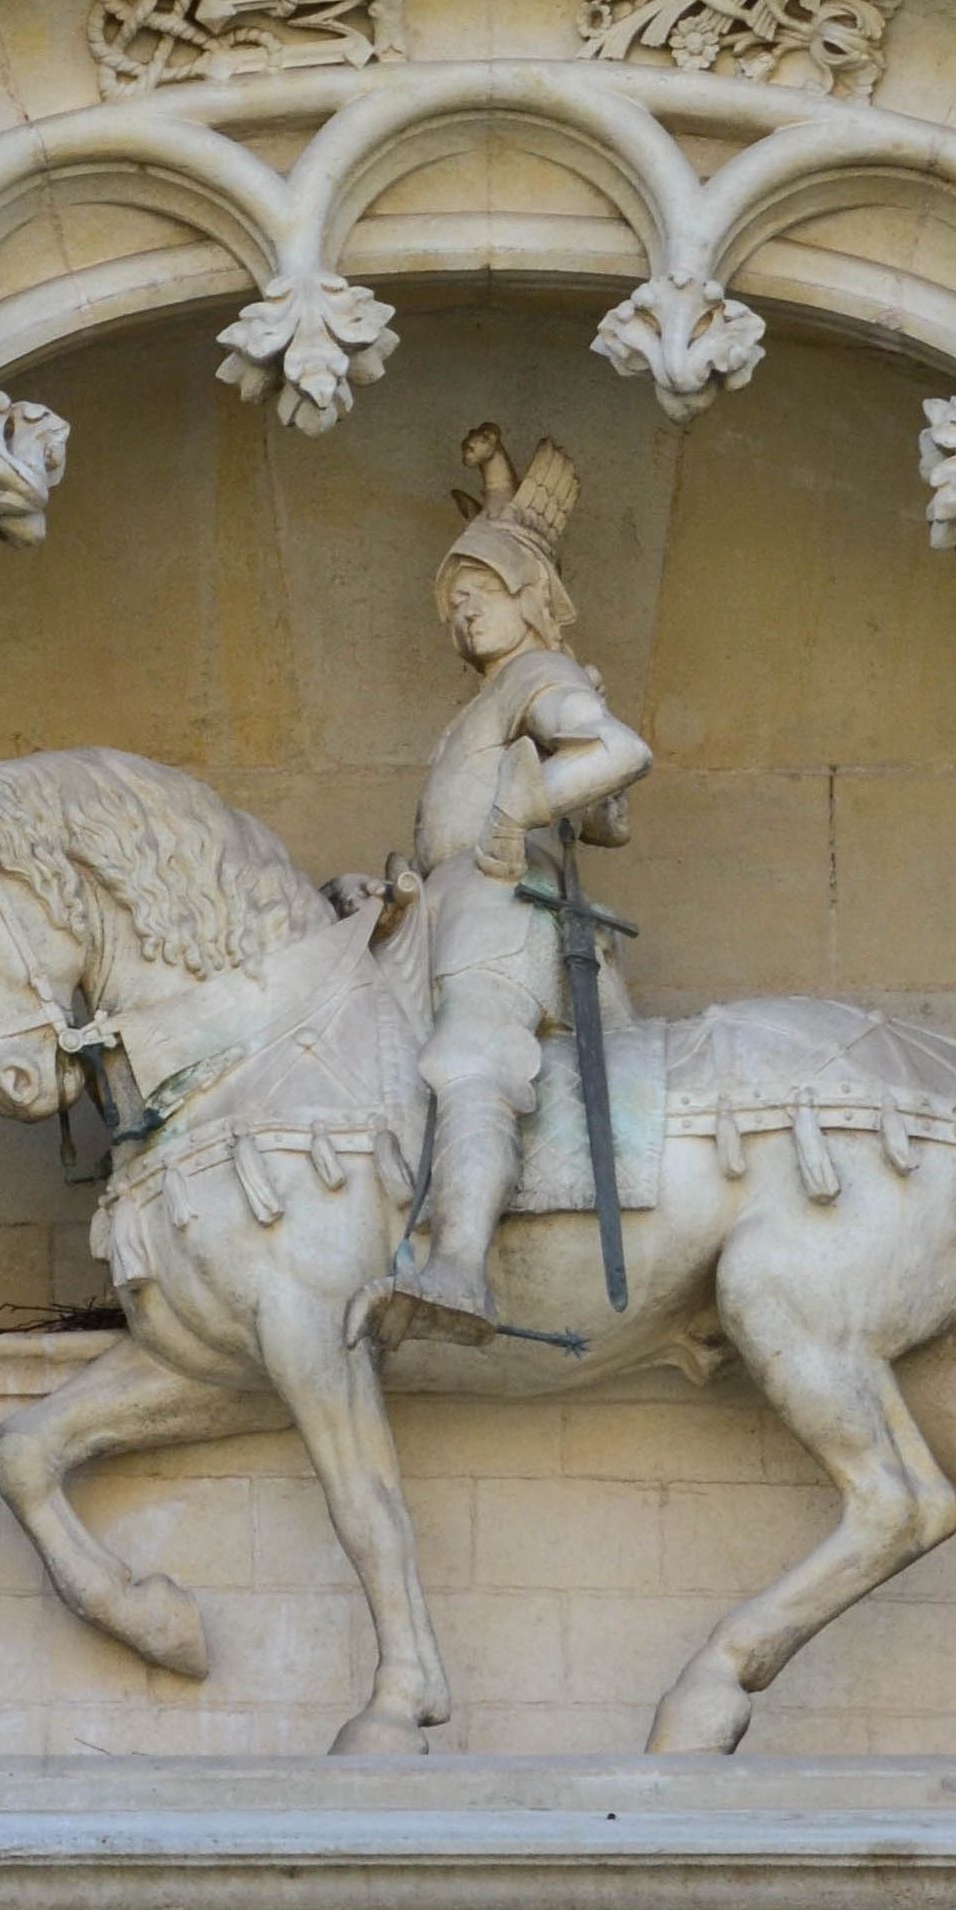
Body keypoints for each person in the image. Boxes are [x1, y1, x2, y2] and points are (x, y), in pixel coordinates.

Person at [360, 427, 652, 1347]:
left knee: (472, 1055)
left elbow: (618, 752)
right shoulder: (484, 701)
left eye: (478, 594)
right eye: (452, 602)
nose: (461, 614)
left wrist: (524, 807)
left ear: (528, 600)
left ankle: (457, 1269)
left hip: (501, 902)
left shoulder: (538, 673)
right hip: (446, 908)